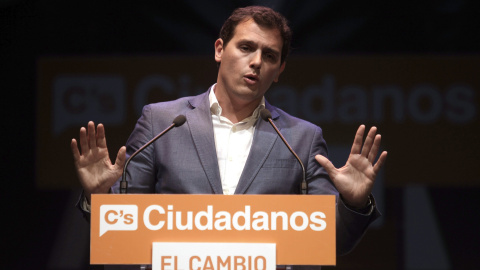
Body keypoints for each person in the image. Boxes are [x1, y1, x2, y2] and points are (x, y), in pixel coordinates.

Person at [71, 5, 387, 264]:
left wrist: (353, 202)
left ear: (279, 71)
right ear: (220, 49)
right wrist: (99, 198)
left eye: (270, 56)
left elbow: (331, 240)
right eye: (246, 47)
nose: (256, 62)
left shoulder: (301, 139)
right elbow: (124, 230)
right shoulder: (163, 121)